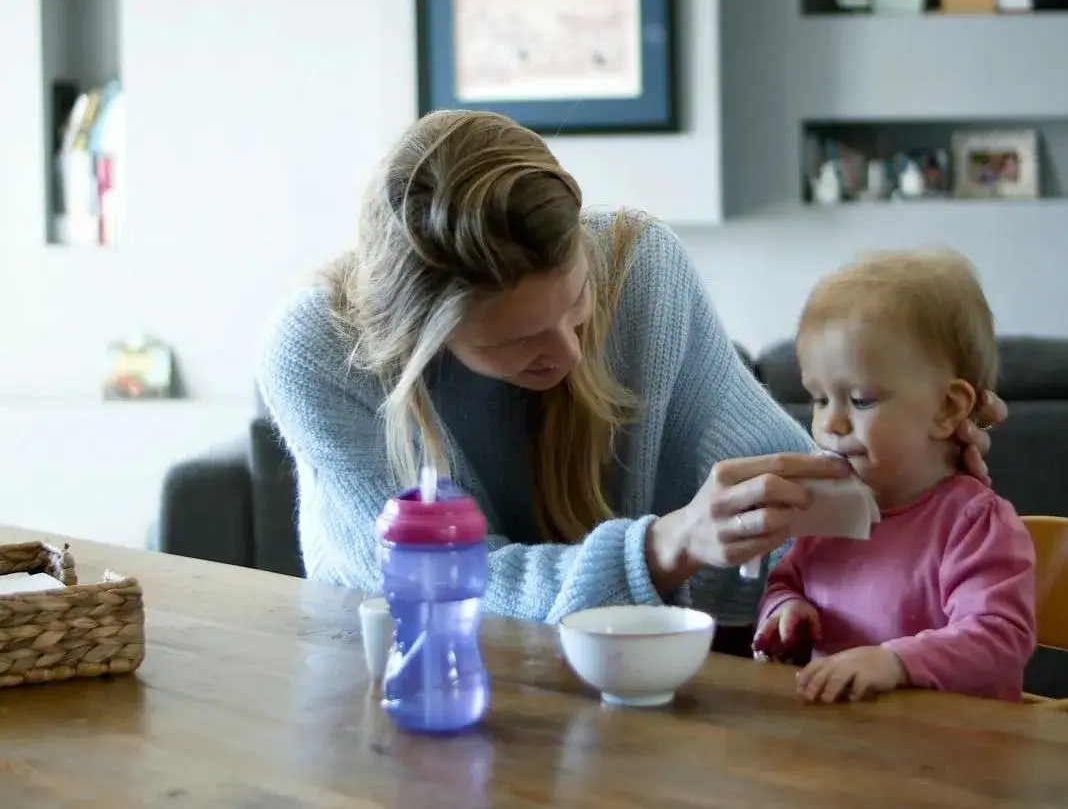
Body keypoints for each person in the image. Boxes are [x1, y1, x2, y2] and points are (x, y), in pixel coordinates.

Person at [256, 109, 1006, 626]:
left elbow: (793, 523)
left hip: (619, 700)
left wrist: (912, 475)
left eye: (576, 305)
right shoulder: (319, 353)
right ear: (417, 332)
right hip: (402, 699)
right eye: (515, 344)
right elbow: (442, 590)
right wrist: (660, 548)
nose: (570, 353)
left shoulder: (635, 268)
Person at [752, 249, 1036, 701]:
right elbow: (787, 580)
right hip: (846, 752)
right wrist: (787, 610)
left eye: (861, 400)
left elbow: (1000, 638)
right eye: (820, 400)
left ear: (947, 409)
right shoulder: (827, 511)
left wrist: (895, 661)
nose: (832, 425)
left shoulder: (973, 523)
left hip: (955, 757)